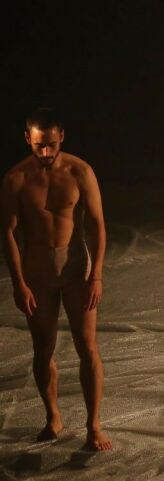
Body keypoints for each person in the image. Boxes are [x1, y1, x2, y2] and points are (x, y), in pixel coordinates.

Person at [1, 107, 111, 451]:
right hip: (37, 273)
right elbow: (7, 233)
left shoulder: (80, 172)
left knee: (87, 347)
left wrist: (96, 275)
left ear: (61, 136)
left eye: (51, 144)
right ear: (27, 139)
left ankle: (93, 425)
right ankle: (53, 416)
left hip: (76, 269)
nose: (46, 152)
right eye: (39, 146)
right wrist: (18, 282)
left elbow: (97, 226)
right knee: (43, 346)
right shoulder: (16, 178)